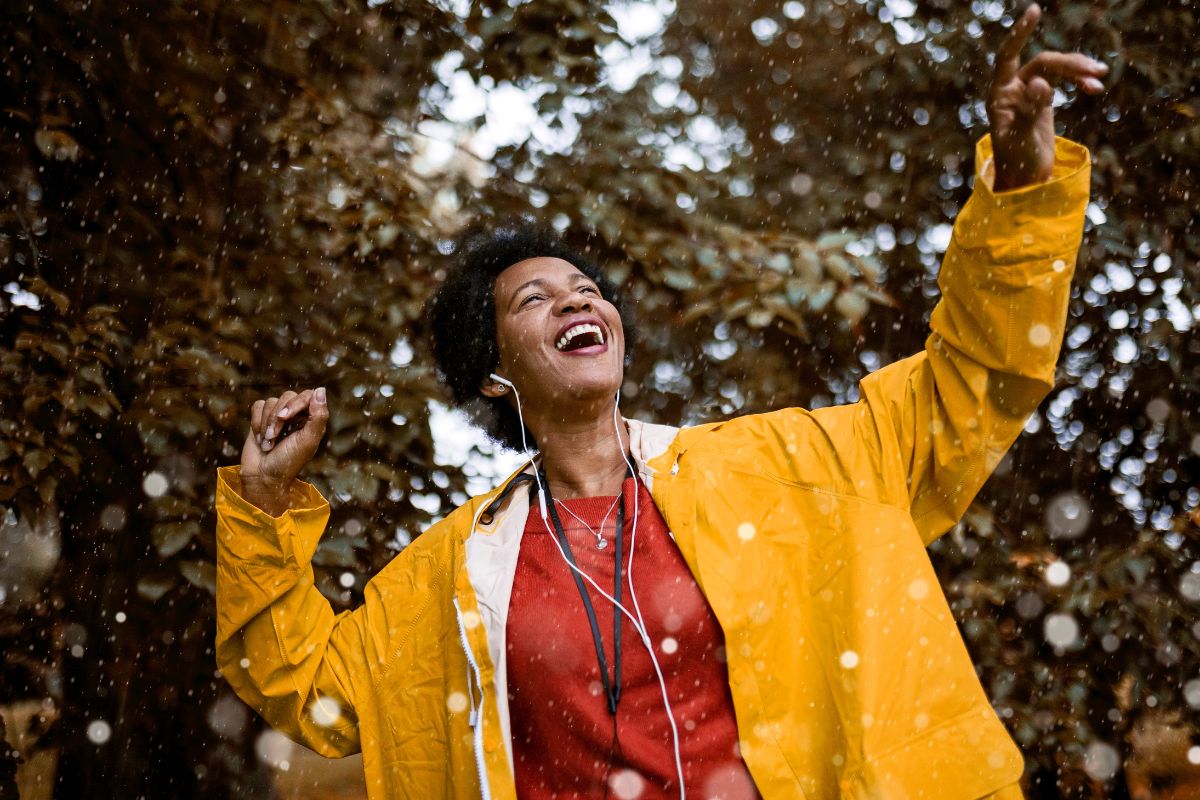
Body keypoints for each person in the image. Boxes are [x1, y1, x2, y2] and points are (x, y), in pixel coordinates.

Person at [214, 6, 1105, 798]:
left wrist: (1021, 195)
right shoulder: (452, 576)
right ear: (495, 376)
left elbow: (969, 384)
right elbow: (313, 686)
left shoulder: (781, 468)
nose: (576, 300)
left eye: (585, 289)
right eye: (534, 299)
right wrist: (259, 509)